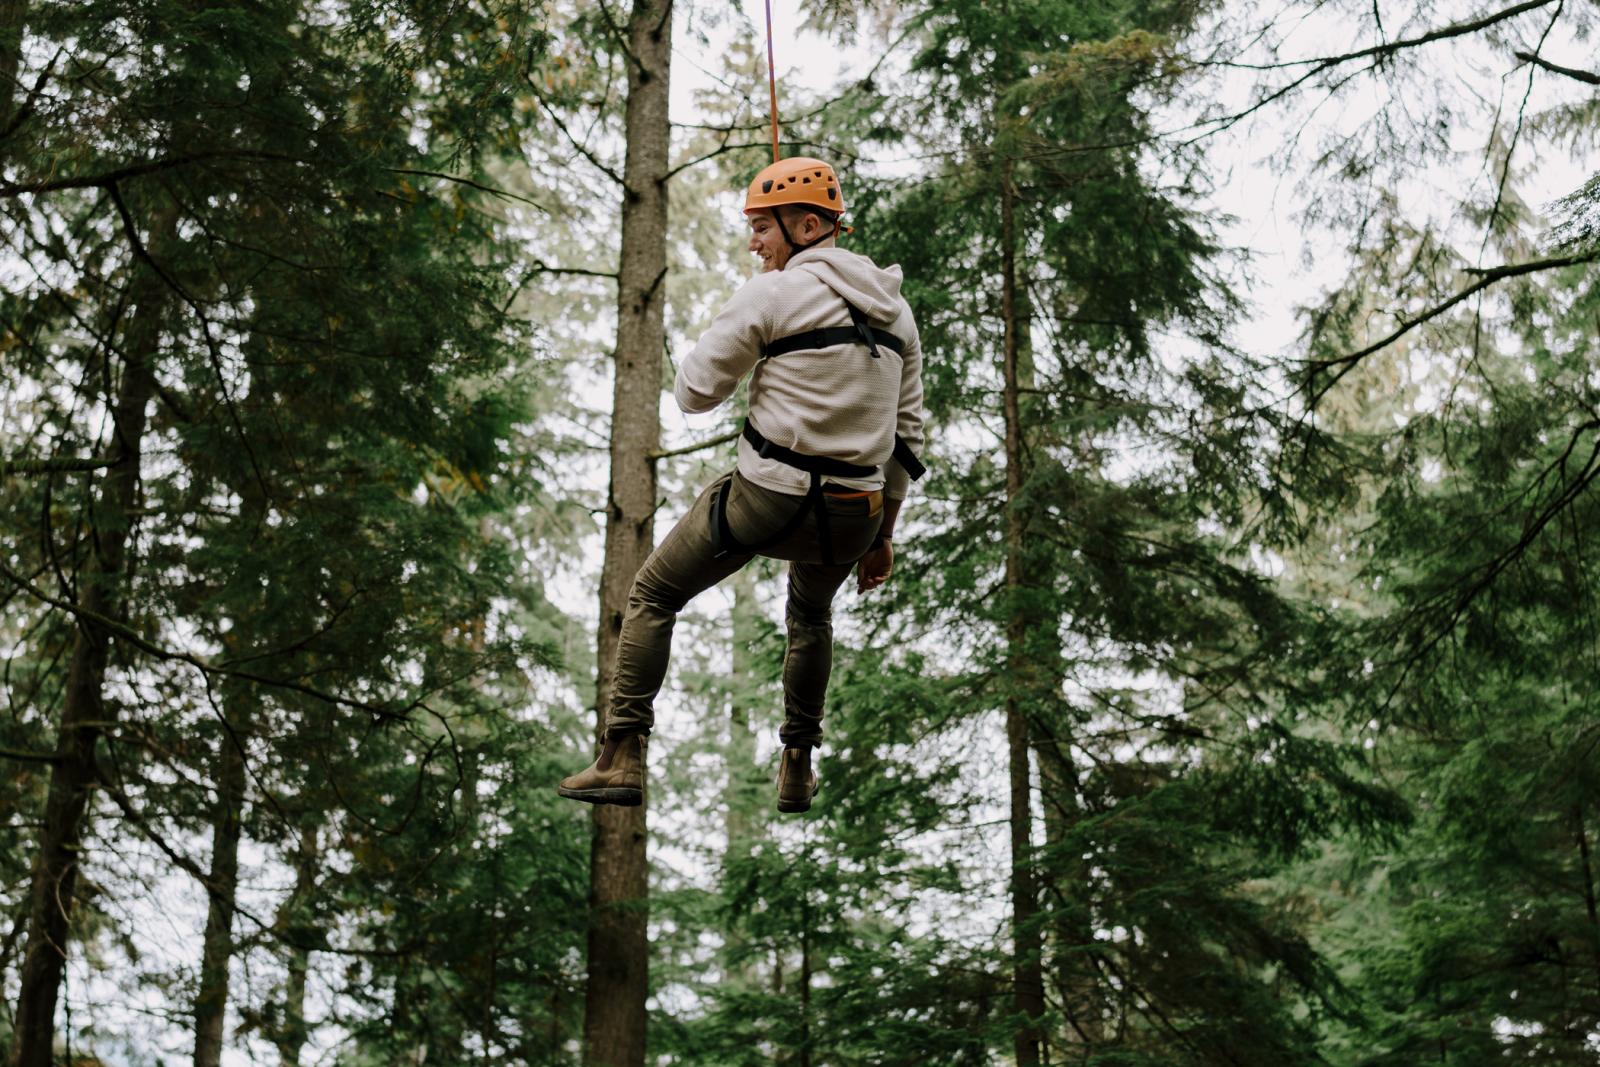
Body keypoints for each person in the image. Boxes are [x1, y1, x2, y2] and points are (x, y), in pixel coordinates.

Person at [558, 156, 925, 814]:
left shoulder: (771, 294)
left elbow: (695, 392)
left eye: (762, 228)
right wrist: (884, 537)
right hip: (854, 512)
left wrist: (739, 316)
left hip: (767, 501)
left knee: (653, 591)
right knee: (811, 616)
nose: (752, 242)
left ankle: (620, 755)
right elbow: (908, 438)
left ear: (808, 224)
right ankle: (798, 764)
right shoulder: (897, 314)